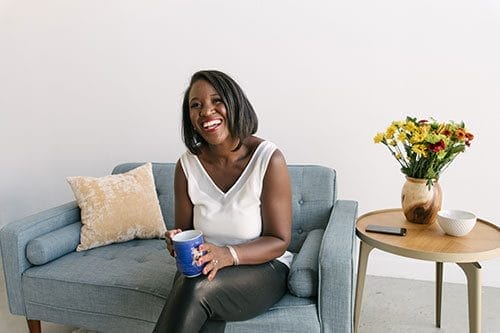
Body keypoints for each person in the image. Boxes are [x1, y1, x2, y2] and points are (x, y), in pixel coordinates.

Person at [153, 70, 293, 333]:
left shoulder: (268, 159)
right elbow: (185, 231)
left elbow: (279, 240)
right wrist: (174, 240)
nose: (206, 111)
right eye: (196, 105)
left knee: (197, 287)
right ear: (190, 118)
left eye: (217, 101)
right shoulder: (187, 165)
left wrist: (227, 255)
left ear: (235, 103)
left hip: (263, 268)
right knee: (196, 285)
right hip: (206, 269)